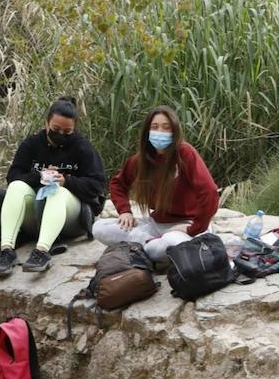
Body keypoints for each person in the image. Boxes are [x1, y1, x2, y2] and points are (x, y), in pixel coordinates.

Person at [0, 97, 107, 277]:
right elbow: (13, 176)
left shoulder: (82, 147)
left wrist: (66, 181)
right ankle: (6, 250)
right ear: (46, 123)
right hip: (36, 216)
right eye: (56, 129)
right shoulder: (31, 144)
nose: (61, 134)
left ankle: (42, 251)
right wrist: (38, 176)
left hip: (70, 218)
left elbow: (98, 185)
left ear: (74, 129)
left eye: (67, 131)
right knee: (16, 187)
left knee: (56, 192)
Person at [93, 106, 220, 263]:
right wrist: (125, 211)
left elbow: (210, 192)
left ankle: (149, 246)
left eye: (166, 128)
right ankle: (149, 242)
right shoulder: (141, 160)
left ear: (174, 131)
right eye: (155, 127)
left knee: (165, 245)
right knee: (99, 228)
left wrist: (193, 228)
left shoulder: (185, 154)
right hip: (155, 224)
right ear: (147, 131)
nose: (160, 132)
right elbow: (118, 184)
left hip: (186, 225)